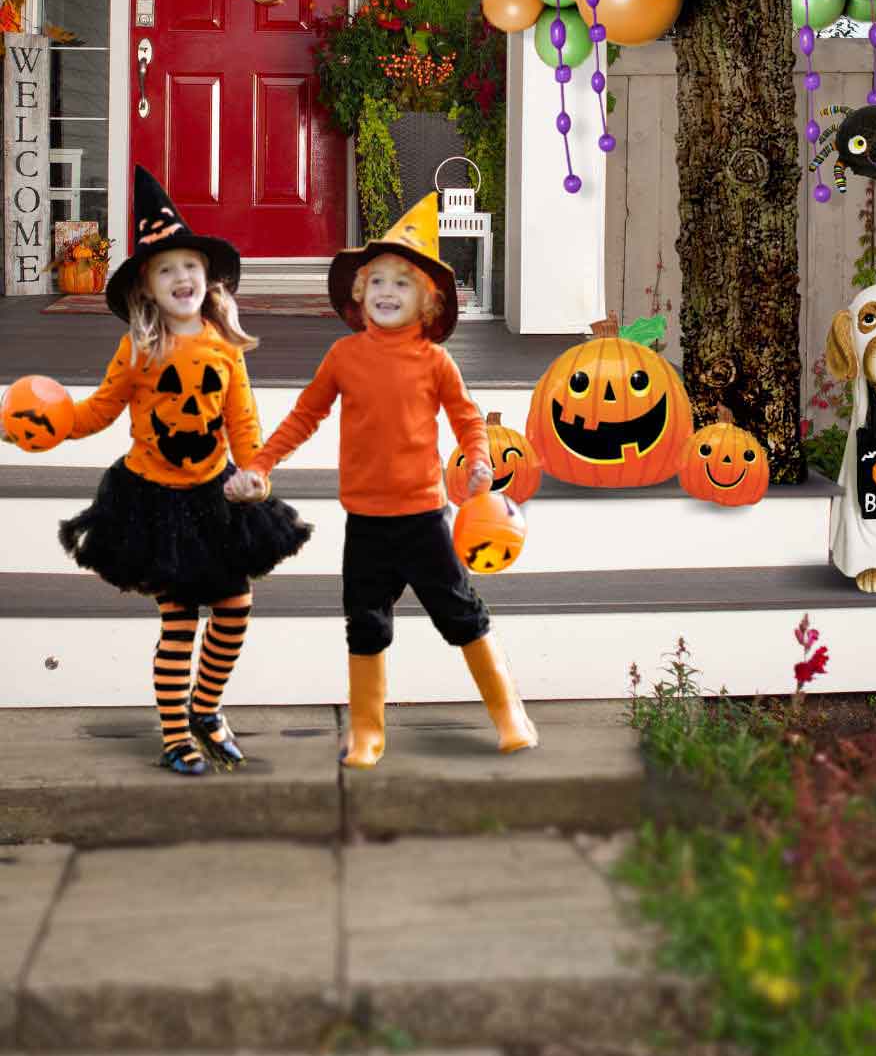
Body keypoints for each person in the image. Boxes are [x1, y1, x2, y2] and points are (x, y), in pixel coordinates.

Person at [226, 194, 538, 767]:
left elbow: (467, 418)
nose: (388, 292)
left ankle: (508, 712)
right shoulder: (344, 356)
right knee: (365, 625)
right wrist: (260, 464)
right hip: (366, 524)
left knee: (461, 614)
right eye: (378, 282)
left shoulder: (437, 363)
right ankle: (368, 731)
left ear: (427, 300)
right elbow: (304, 416)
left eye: (402, 282)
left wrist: (478, 457)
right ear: (359, 292)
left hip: (425, 522)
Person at [53, 167, 311, 774]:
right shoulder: (139, 347)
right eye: (166, 269)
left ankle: (206, 706)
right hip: (154, 501)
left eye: (190, 266)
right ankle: (175, 734)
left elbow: (244, 427)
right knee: (178, 622)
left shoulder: (224, 344)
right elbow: (98, 411)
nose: (182, 277)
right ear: (147, 286)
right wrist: (50, 426)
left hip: (213, 496)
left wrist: (257, 477)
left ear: (209, 277)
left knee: (235, 607)